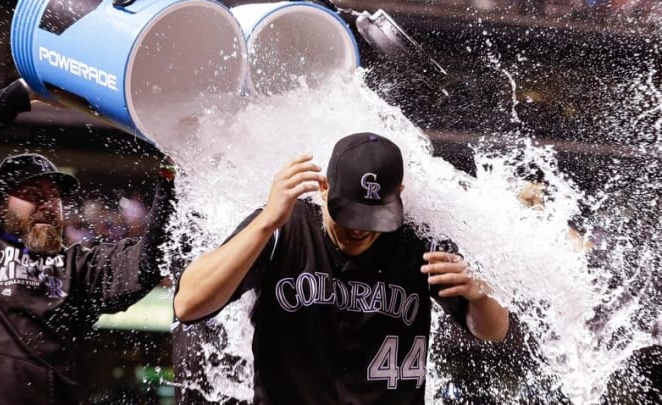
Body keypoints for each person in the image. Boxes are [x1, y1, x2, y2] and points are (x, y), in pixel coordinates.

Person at [174, 132, 509, 404]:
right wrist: (266, 221)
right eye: (348, 214)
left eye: (373, 217)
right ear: (324, 188)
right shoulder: (283, 226)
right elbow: (188, 304)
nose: (359, 229)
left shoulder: (418, 240)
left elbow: (492, 330)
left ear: (398, 197)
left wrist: (480, 296)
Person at [0, 79, 176, 403]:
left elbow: (146, 263)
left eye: (54, 196)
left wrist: (168, 176)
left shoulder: (80, 267)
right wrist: (22, 93)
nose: (48, 203)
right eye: (32, 194)